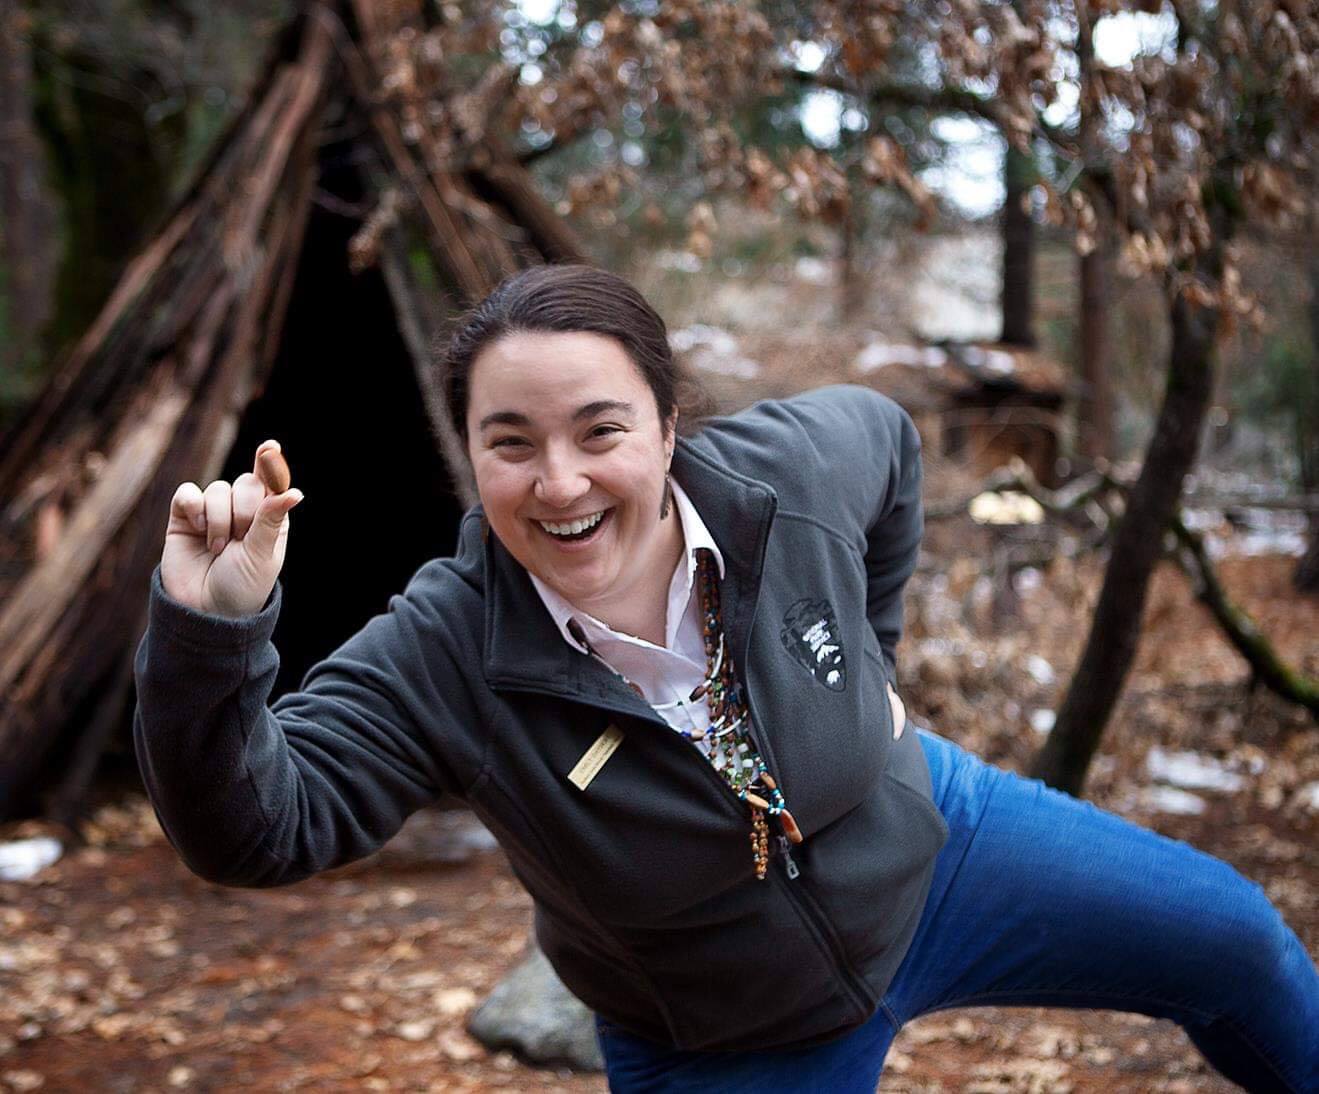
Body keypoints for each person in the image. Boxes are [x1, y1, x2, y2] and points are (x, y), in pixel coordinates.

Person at [134, 264, 1318, 1093]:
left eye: (600, 430)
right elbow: (254, 827)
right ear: (470, 454)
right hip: (723, 1030)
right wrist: (211, 623)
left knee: (1237, 943)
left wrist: (862, 669)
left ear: (665, 421)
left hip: (942, 850)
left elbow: (892, 448)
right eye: (510, 442)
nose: (558, 481)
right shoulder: (446, 649)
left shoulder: (782, 475)